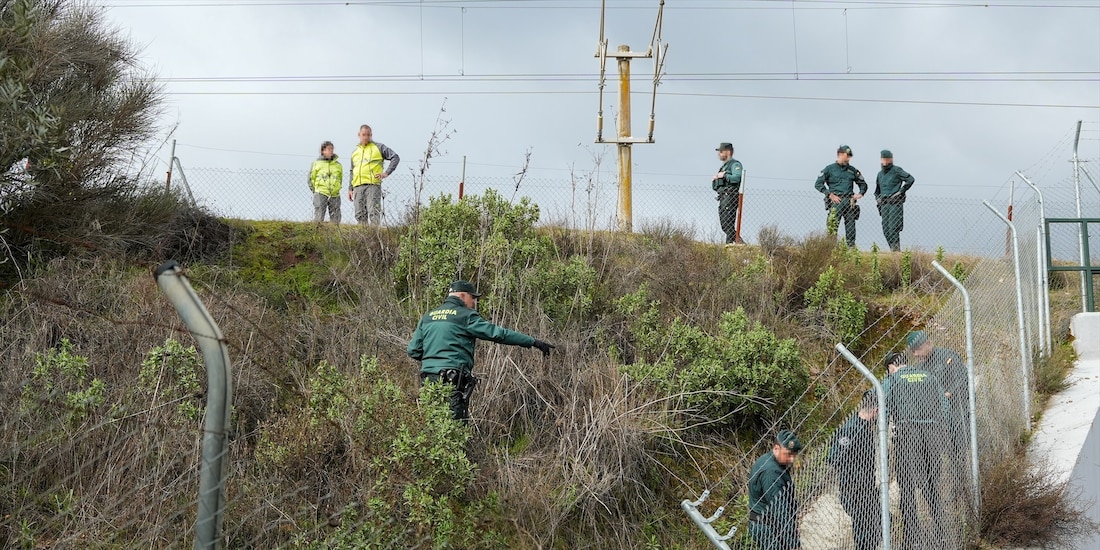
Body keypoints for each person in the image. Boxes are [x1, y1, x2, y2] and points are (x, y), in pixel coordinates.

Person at [406, 280, 555, 422]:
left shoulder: (428, 317)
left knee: (432, 424)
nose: (474, 303)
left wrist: (434, 361)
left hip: (428, 380)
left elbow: (413, 350)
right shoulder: (465, 315)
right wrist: (533, 342)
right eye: (473, 298)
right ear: (463, 295)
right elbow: (498, 334)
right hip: (452, 381)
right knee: (454, 427)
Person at [883, 351, 950, 550]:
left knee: (907, 488)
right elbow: (944, 405)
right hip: (932, 435)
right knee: (931, 486)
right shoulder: (929, 376)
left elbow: (884, 410)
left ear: (891, 367)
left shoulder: (892, 381)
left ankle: (914, 538)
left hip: (908, 436)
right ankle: (941, 534)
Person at [908, 330, 971, 495]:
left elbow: (962, 380)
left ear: (928, 344)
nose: (916, 354)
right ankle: (940, 490)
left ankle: (959, 489)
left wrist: (947, 394)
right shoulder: (918, 368)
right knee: (944, 454)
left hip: (957, 412)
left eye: (918, 349)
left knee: (958, 451)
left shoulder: (948, 357)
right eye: (913, 351)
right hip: (936, 419)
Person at [827, 390, 882, 550]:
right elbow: (834, 457)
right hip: (854, 491)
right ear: (876, 411)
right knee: (864, 532)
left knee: (877, 525)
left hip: (866, 490)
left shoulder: (864, 427)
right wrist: (856, 474)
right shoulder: (851, 429)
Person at [748, 429, 804, 550]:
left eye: (794, 455)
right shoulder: (771, 473)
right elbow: (780, 510)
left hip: (773, 524)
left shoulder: (771, 461)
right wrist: (794, 543)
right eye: (788, 454)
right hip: (768, 528)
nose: (792, 459)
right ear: (776, 448)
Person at [814, 145, 868, 248]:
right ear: (839, 154)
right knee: (832, 225)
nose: (848, 158)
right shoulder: (829, 169)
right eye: (846, 155)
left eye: (849, 156)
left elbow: (863, 184)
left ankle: (851, 248)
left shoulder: (852, 170)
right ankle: (831, 247)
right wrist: (829, 194)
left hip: (849, 201)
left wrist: (860, 193)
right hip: (836, 201)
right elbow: (818, 184)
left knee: (851, 226)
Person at [348, 124, 400, 225]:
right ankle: (362, 237)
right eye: (364, 135)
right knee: (359, 214)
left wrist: (386, 173)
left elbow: (395, 157)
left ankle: (375, 236)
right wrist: (350, 189)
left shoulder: (379, 147)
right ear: (359, 135)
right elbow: (352, 170)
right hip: (357, 186)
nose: (366, 137)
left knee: (373, 212)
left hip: (372, 185)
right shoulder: (355, 152)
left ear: (371, 135)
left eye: (368, 135)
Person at [874, 150, 915, 252]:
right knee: (886, 230)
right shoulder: (880, 174)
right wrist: (878, 199)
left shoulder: (897, 170)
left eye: (887, 159)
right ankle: (893, 250)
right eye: (883, 159)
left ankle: (896, 252)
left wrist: (901, 191)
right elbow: (877, 191)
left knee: (893, 228)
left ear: (891, 159)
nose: (885, 161)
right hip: (884, 205)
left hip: (895, 204)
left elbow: (910, 179)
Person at [711, 142, 744, 245]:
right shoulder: (724, 167)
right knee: (724, 224)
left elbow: (737, 177)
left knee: (728, 223)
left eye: (721, 151)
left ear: (728, 152)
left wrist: (724, 176)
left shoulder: (735, 164)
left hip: (730, 196)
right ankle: (738, 243)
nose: (719, 154)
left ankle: (731, 244)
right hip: (723, 197)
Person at [308, 141, 343, 224]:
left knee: (336, 217)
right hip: (321, 192)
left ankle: (336, 233)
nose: (331, 151)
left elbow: (340, 179)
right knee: (319, 215)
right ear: (323, 151)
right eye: (328, 149)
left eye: (332, 149)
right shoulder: (316, 163)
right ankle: (316, 233)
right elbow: (311, 178)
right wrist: (316, 190)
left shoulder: (338, 165)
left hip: (334, 194)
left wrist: (337, 188)